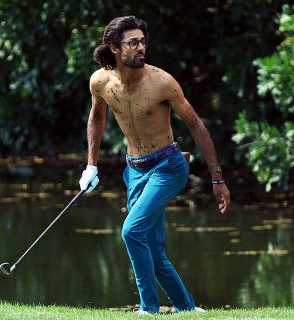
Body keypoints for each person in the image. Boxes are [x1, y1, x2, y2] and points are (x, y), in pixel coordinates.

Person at [78, 16, 231, 314]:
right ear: (114, 49)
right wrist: (91, 166)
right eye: (132, 43)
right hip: (134, 169)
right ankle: (187, 309)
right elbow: (96, 117)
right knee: (152, 249)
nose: (141, 48)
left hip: (168, 167)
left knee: (131, 232)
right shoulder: (100, 82)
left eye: (143, 42)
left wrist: (217, 177)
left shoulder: (162, 82)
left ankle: (148, 309)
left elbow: (196, 125)